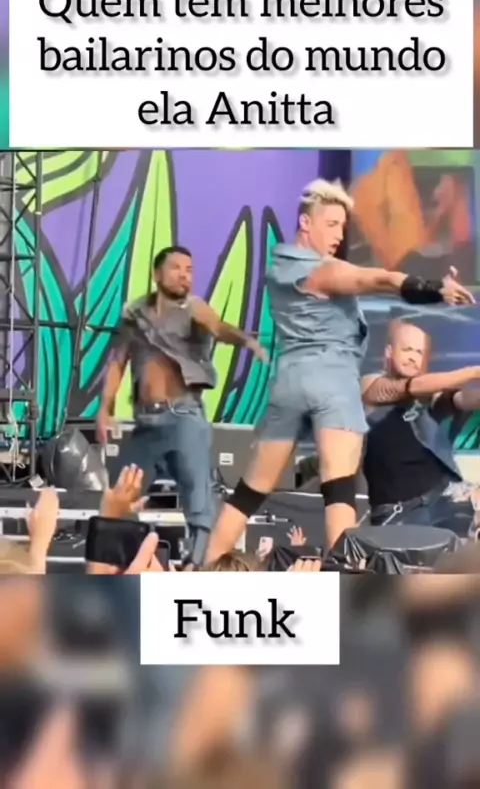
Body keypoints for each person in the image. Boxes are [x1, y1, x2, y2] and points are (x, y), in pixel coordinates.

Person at [205, 180, 475, 563]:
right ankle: (340, 577)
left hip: (290, 384)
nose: (337, 236)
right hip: (331, 383)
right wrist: (434, 288)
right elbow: (376, 279)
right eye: (331, 224)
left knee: (250, 491)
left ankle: (204, 565)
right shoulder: (322, 269)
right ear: (305, 223)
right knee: (340, 489)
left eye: (342, 227)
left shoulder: (279, 268)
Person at [97, 245, 265, 565]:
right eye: (176, 268)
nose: (184, 276)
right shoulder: (135, 316)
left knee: (200, 505)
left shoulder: (195, 309)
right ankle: (115, 567)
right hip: (147, 425)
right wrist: (105, 408)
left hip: (184, 418)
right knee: (122, 494)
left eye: (189, 270)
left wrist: (245, 340)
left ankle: (199, 569)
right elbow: (118, 361)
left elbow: (219, 328)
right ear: (157, 274)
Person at [361, 320, 480, 539]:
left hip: (442, 499)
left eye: (419, 352)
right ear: (389, 352)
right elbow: (411, 387)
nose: (413, 357)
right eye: (407, 349)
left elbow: (465, 399)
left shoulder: (429, 397)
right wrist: (473, 372)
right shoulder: (370, 383)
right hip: (398, 513)